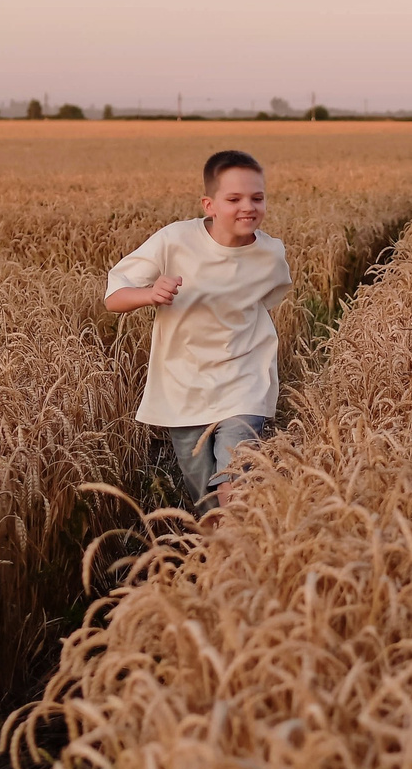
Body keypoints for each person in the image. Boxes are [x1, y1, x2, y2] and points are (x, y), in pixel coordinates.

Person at [104, 150, 291, 510]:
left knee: (235, 478)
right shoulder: (175, 240)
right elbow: (113, 296)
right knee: (204, 495)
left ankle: (239, 552)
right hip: (183, 386)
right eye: (234, 199)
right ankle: (217, 553)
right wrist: (149, 293)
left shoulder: (270, 254)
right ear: (209, 204)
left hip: (245, 380)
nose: (247, 207)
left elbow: (267, 298)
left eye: (257, 197)